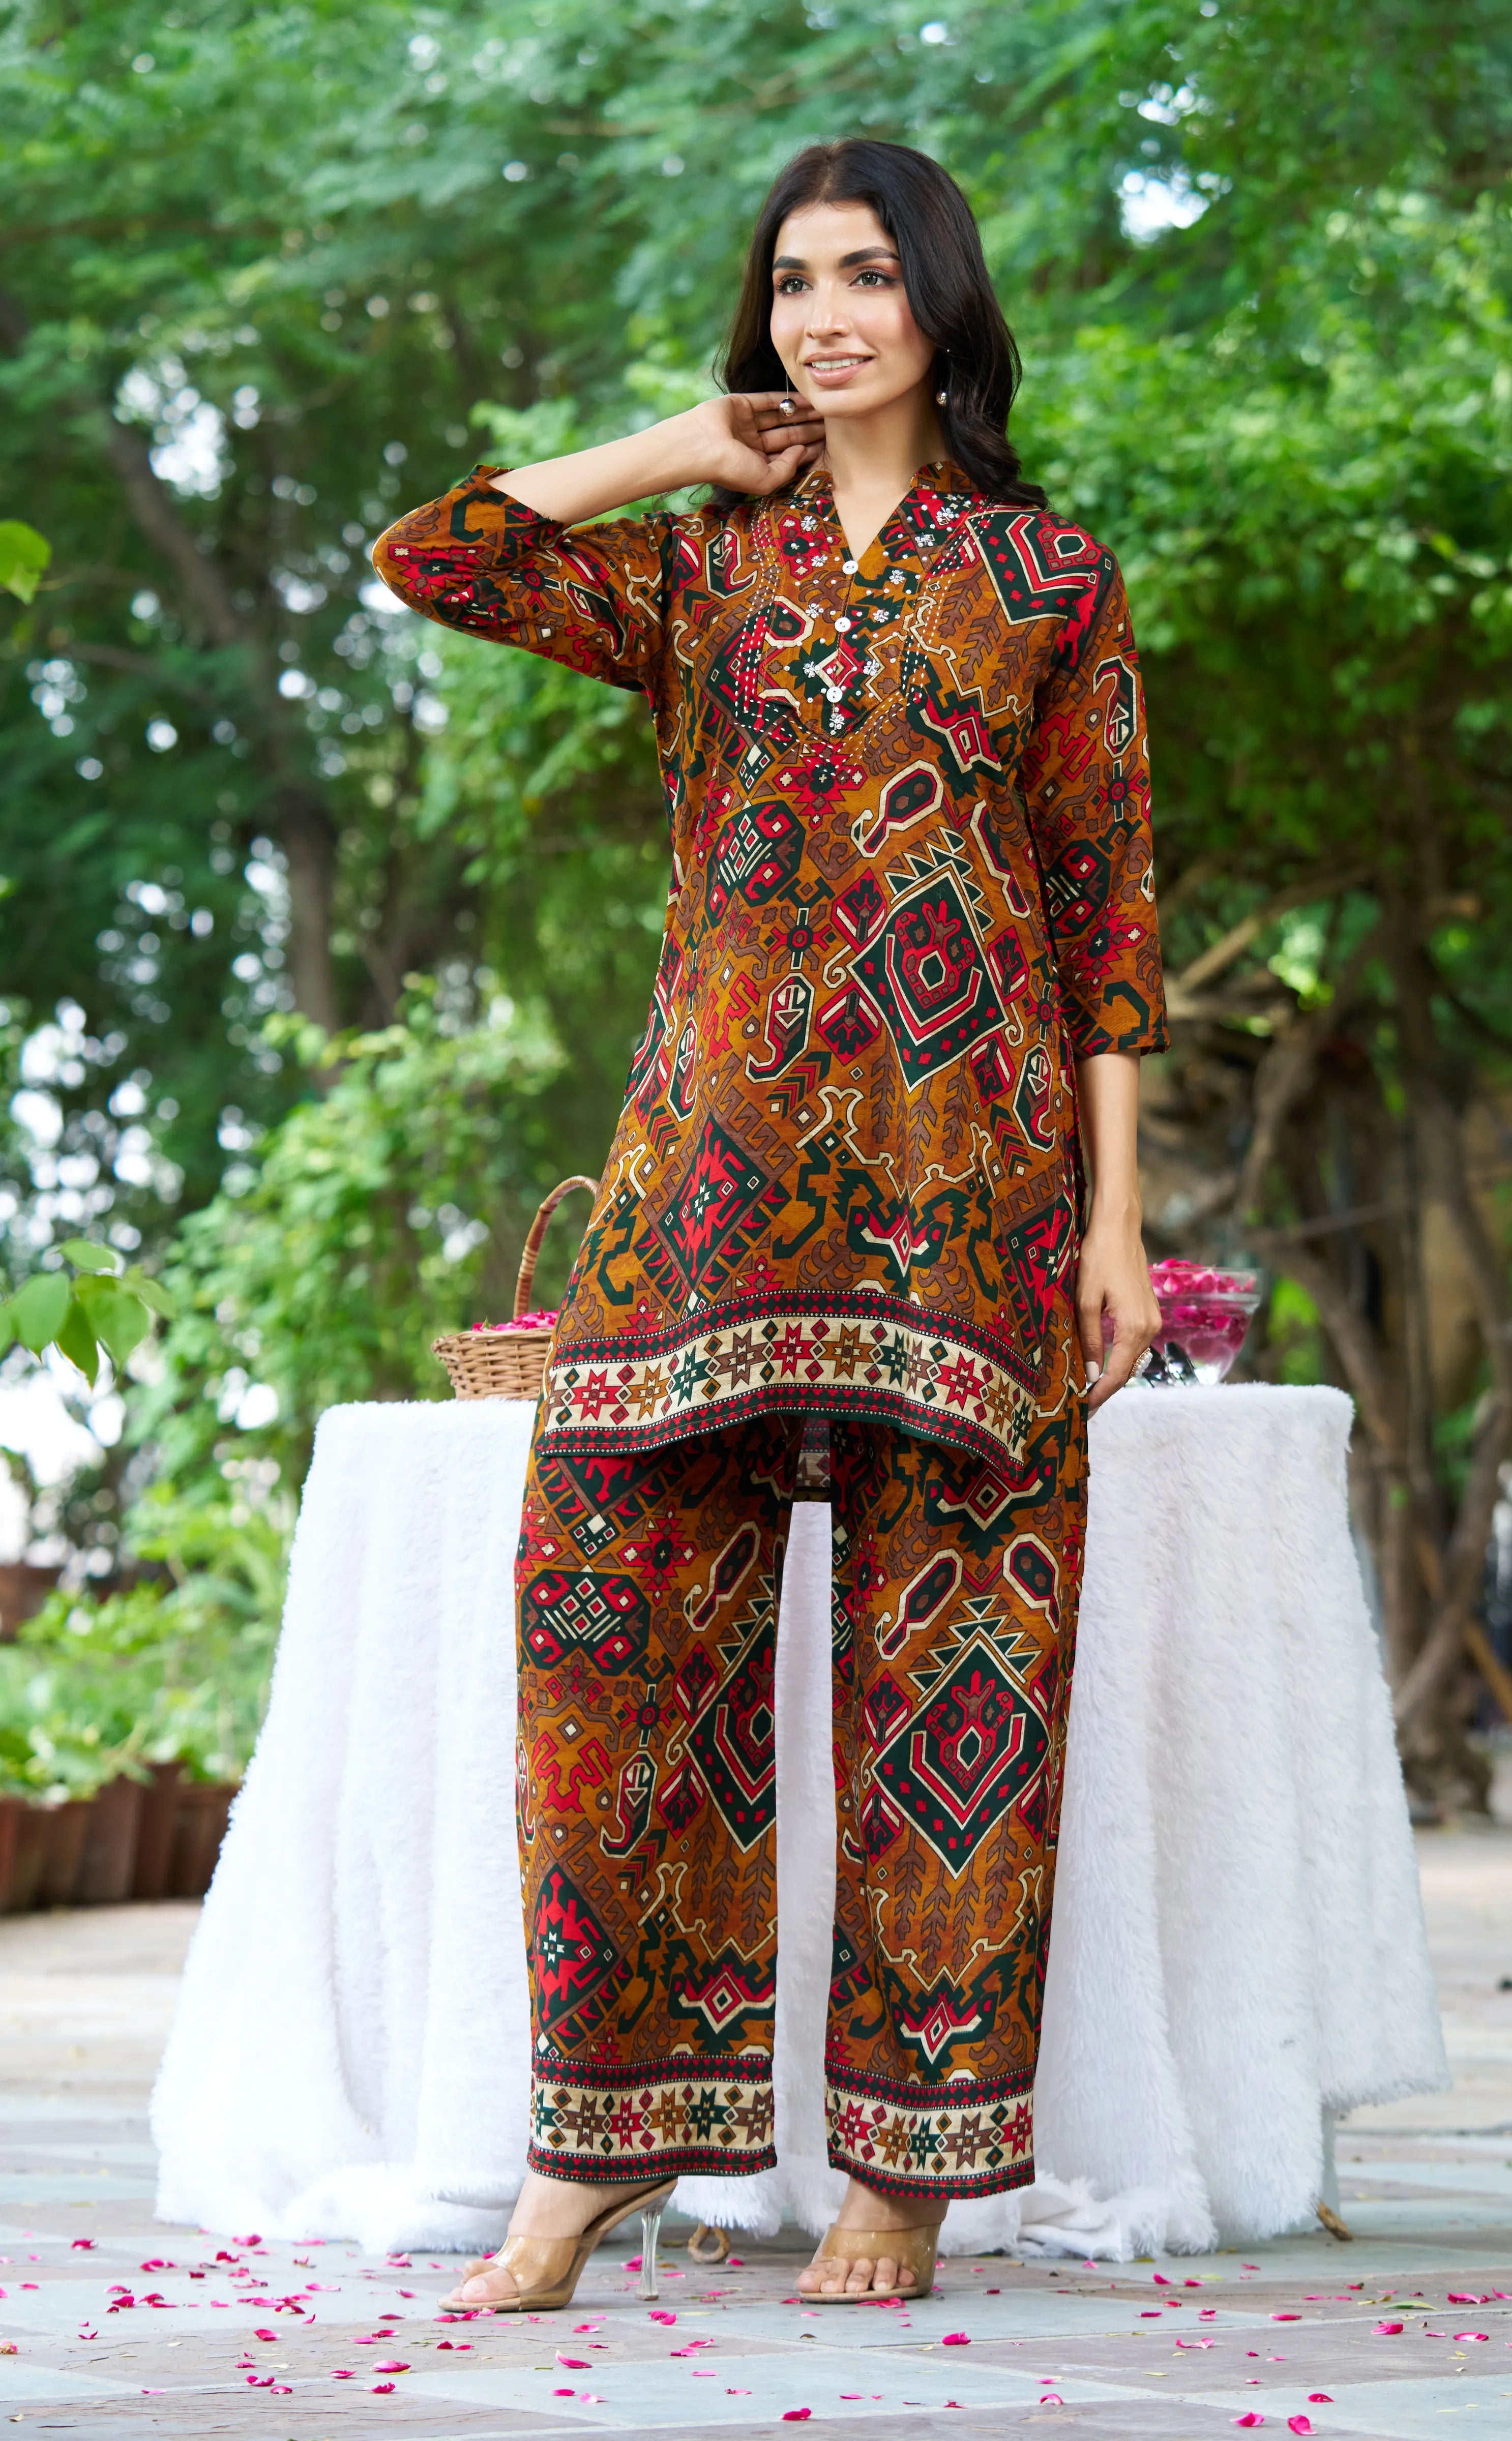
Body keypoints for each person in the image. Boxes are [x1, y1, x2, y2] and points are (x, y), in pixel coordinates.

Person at [373, 136, 1167, 2313]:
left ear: (939, 303)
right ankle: (590, 2155)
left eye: (868, 276)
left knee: (958, 1663)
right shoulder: (697, 570)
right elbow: (433, 557)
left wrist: (1118, 1218)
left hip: (970, 1192)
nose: (828, 315)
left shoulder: (1046, 578)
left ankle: (905, 2170)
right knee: (604, 1640)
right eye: (796, 282)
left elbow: (1105, 909)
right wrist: (670, 447)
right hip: (701, 1184)